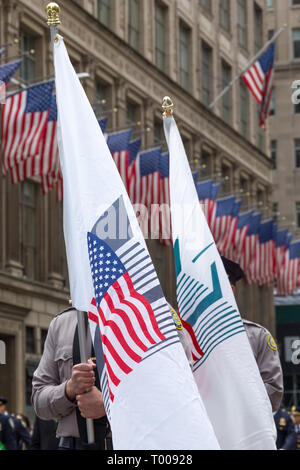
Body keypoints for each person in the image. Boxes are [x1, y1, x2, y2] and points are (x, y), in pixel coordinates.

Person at [31, 307, 110, 450]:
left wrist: (108, 407)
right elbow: (38, 399)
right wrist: (69, 389)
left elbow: (161, 396)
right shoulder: (61, 323)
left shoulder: (152, 311)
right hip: (72, 444)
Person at [221, 257, 284, 412]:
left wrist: (231, 400)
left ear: (230, 289)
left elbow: (273, 390)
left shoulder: (257, 337)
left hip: (243, 428)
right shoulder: (187, 334)